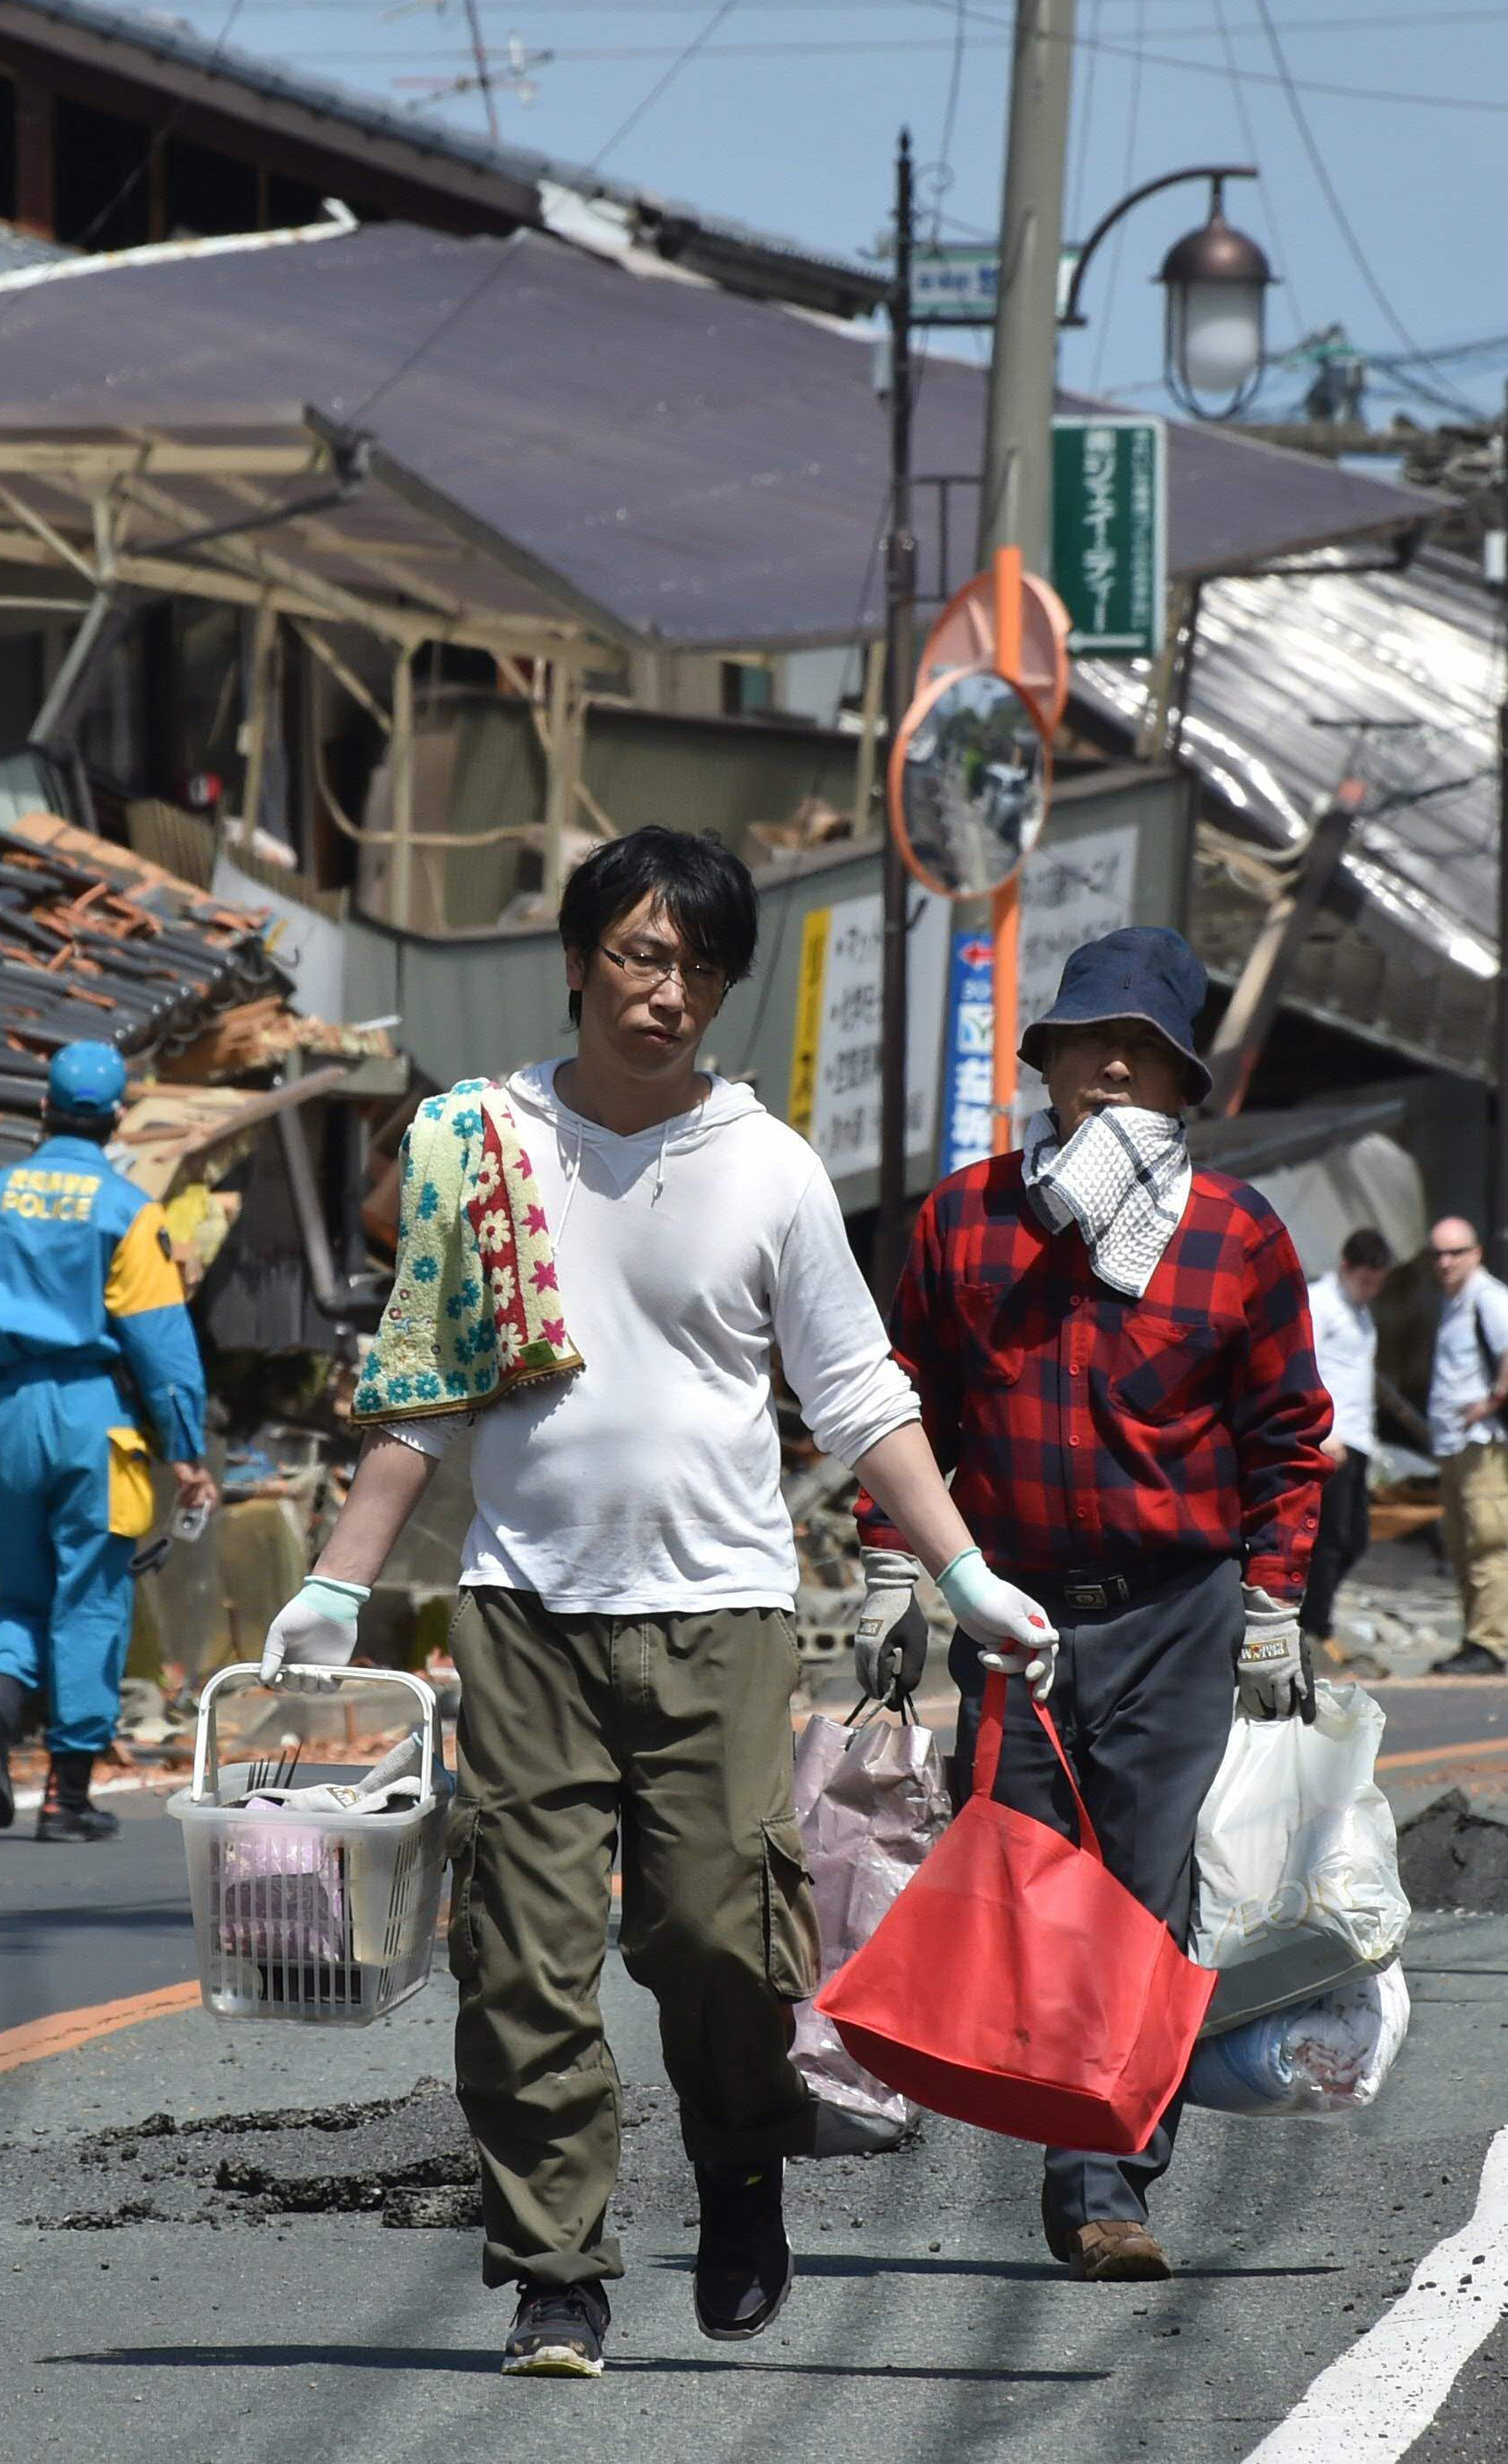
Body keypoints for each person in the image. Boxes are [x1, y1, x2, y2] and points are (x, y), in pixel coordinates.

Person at [262, 826, 1058, 2383]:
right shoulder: (480, 1145)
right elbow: (419, 1391)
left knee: (715, 1931)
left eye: (698, 966)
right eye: (638, 954)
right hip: (521, 1614)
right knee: (523, 1960)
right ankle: (554, 2271)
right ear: (574, 963)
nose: (666, 990)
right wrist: (331, 1586)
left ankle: (741, 2158)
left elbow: (853, 1389)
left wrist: (962, 1571)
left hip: (722, 1618)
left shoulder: (766, 1166)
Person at [865, 924, 1332, 2283]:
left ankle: (1106, 2183)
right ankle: (1054, 2118)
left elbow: (1289, 1435)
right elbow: (900, 1406)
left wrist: (1274, 1603)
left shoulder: (1236, 1234)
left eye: (1147, 1050)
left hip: (1179, 1613)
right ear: (1050, 1063)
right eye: (1089, 1042)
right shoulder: (967, 1220)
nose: (1114, 1067)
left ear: (1187, 1085)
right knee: (1021, 1877)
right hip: (1009, 1607)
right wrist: (893, 1568)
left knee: (1141, 1897)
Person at [0, 1037, 217, 1845]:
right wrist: (187, 1449)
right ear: (116, 1119)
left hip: (5, 1415)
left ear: (43, 1110)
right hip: (92, 1416)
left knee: (19, 1590)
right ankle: (67, 1795)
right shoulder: (127, 1210)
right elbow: (159, 1343)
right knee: (89, 1595)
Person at [1425, 1214, 1508, 1680]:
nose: (1446, 1262)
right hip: (1456, 1443)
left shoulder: (1487, 1296)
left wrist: (1492, 1400)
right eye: (1439, 1254)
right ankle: (1473, 1639)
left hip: (1484, 1443)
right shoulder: (1455, 1302)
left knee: (1487, 1543)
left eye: (1455, 1252)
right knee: (1462, 1544)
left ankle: (1490, 1645)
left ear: (1476, 1253)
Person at [1297, 1225, 1398, 1651]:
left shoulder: (1360, 1313)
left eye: (1378, 1283)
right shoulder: (1320, 1304)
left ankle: (1314, 1618)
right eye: (1364, 1280)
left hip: (1358, 1440)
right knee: (1330, 1538)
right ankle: (1314, 1625)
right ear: (1345, 1268)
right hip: (1331, 1439)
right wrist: (1320, 1431)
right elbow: (1303, 1367)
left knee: (1355, 1539)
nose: (1370, 1290)